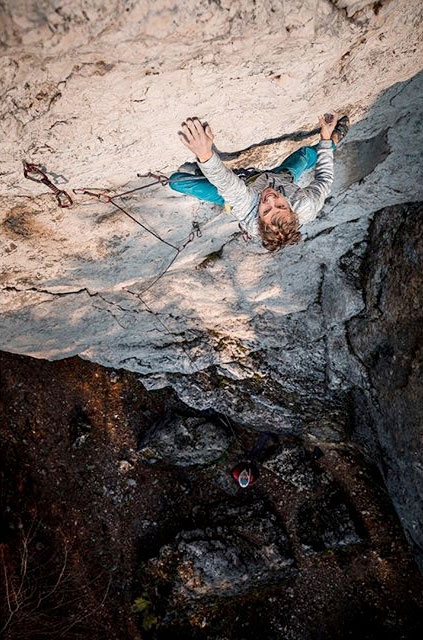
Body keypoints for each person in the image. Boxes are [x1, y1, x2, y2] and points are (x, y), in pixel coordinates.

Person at [169, 113, 349, 251]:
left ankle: (202, 172)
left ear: (258, 217)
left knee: (177, 182)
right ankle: (336, 138)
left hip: (242, 188)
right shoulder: (307, 205)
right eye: (280, 205)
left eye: (266, 210)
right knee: (306, 155)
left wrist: (205, 154)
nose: (271, 199)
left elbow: (228, 185)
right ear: (292, 209)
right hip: (281, 177)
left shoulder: (247, 209)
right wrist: (326, 139)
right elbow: (325, 178)